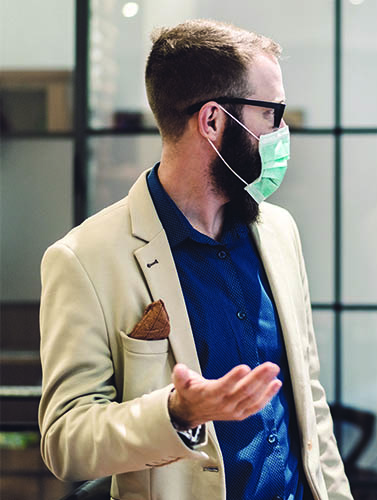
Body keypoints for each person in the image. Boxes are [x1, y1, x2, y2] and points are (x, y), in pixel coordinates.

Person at [38, 19, 352, 500]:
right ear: (213, 120)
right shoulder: (83, 259)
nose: (282, 132)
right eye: (273, 113)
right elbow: (66, 441)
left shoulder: (279, 232)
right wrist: (176, 412)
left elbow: (309, 403)